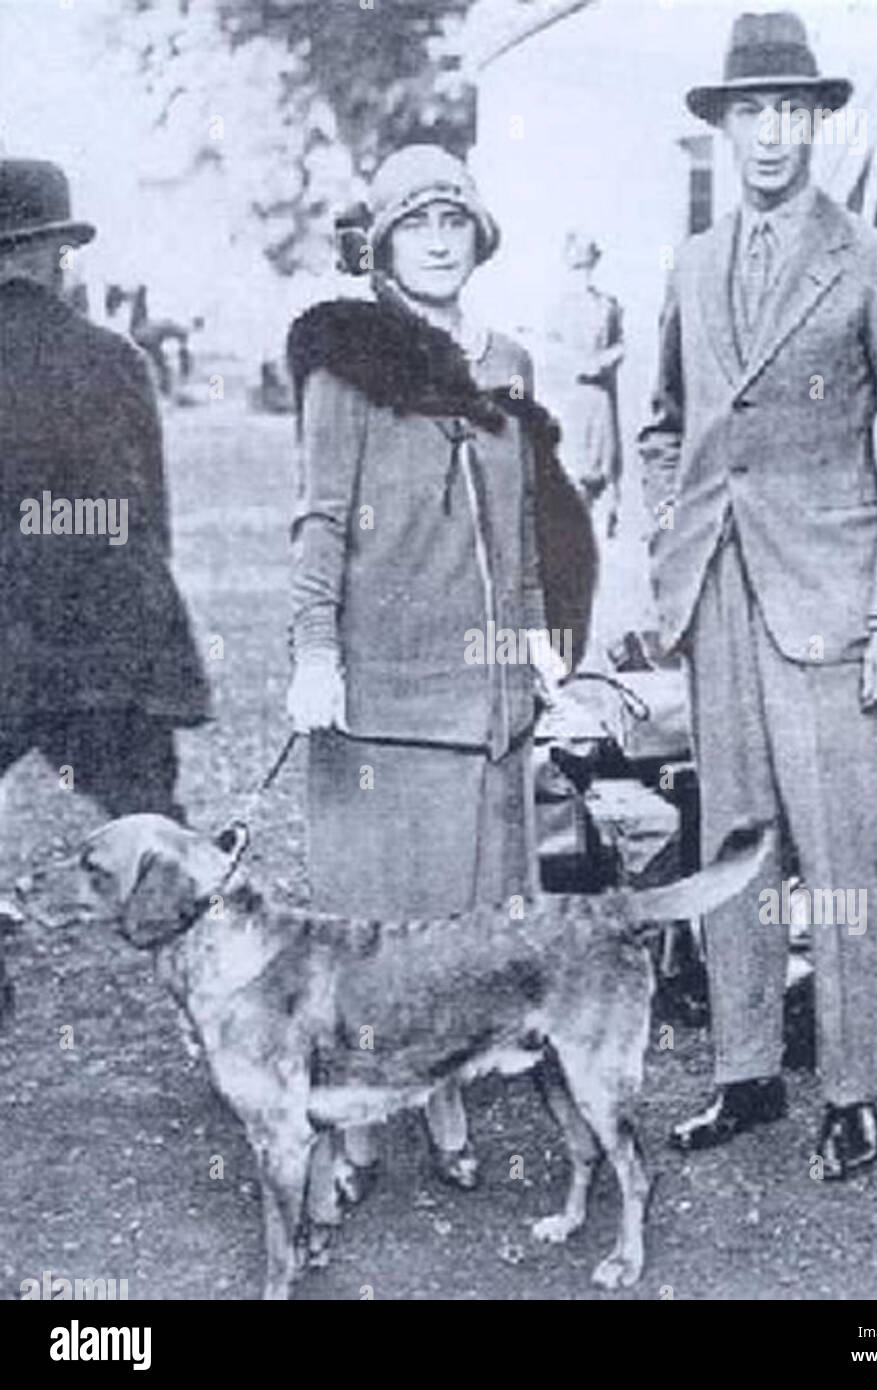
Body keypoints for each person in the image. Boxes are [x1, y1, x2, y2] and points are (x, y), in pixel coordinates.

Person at [640, 12, 877, 1178]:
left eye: (789, 111)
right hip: (718, 595)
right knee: (731, 845)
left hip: (834, 608)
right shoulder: (689, 262)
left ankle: (852, 1088)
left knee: (843, 857)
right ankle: (746, 1071)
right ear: (722, 126)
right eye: (748, 113)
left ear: (818, 120)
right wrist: (666, 537)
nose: (769, 135)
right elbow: (665, 425)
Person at [286, 143, 595, 1215]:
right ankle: (355, 1130)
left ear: (476, 237)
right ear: (383, 244)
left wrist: (541, 640)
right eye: (413, 222)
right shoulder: (347, 361)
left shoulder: (507, 357)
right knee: (373, 929)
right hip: (380, 698)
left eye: (452, 221)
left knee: (467, 928)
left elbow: (521, 524)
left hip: (486, 700)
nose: (434, 238)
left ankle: (451, 1105)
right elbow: (321, 517)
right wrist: (314, 652)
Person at [0, 160, 209, 823]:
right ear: (60, 257)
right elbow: (149, 517)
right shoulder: (117, 359)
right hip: (108, 633)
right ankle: (190, 917)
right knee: (148, 814)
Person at [542, 232, 625, 545]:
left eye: (587, 265)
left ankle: (601, 534)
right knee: (573, 470)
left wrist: (607, 358)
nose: (583, 273)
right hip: (570, 397)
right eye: (577, 267)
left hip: (600, 397)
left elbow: (619, 345)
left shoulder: (608, 305)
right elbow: (549, 350)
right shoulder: (558, 308)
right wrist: (576, 363)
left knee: (602, 468)